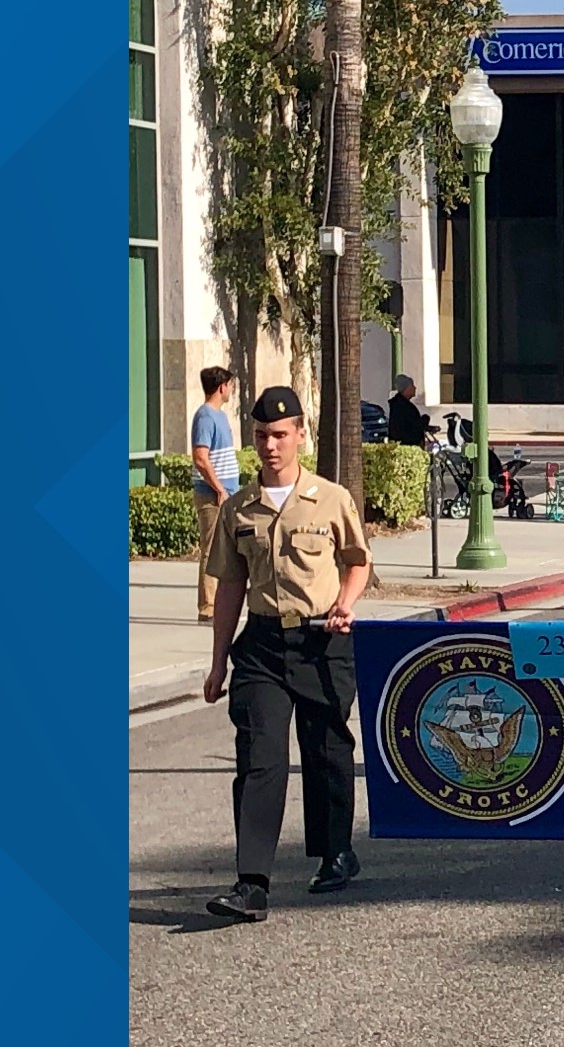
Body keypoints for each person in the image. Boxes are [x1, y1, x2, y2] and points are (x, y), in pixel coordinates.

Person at [200, 387, 370, 922]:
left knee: (326, 752)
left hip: (322, 638)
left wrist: (346, 603)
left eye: (279, 434)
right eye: (261, 436)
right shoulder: (237, 509)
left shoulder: (331, 498)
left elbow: (357, 562)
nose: (270, 445)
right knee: (259, 759)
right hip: (262, 646)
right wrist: (218, 660)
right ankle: (251, 882)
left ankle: (335, 853)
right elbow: (230, 586)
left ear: (300, 435)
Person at [191, 367, 242, 622]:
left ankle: (224, 601)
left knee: (231, 550)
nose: (231, 389)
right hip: (212, 496)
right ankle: (207, 607)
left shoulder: (219, 416)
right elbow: (200, 458)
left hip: (229, 493)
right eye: (229, 385)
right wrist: (219, 488)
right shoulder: (205, 417)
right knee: (211, 550)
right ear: (221, 386)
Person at [386, 374, 429, 448]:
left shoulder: (399, 404)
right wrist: (425, 419)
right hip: (408, 444)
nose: (415, 388)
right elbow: (414, 425)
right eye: (412, 386)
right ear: (407, 388)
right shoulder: (404, 407)